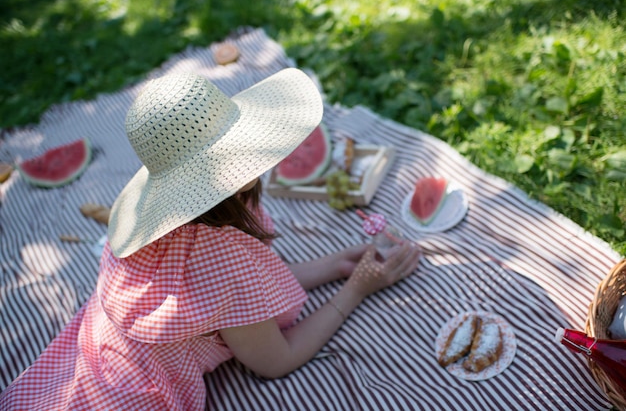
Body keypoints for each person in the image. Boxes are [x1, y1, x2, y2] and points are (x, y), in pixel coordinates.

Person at [0, 68, 421, 410]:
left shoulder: (162, 224)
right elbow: (277, 360)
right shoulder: (222, 259)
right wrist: (356, 289)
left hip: (87, 368)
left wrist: (333, 265)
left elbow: (243, 297)